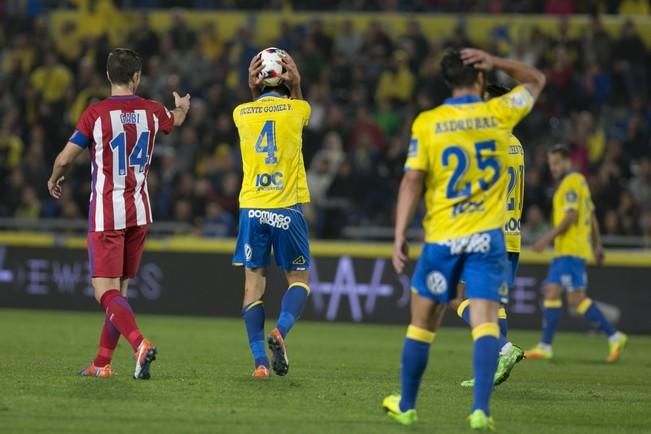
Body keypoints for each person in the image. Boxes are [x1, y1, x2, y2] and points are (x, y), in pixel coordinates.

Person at [382, 48, 545, 431]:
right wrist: (498, 62)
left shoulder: (428, 122)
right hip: (489, 239)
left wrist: (399, 234)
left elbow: (411, 181)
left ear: (446, 80)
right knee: (487, 324)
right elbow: (537, 80)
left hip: (443, 237)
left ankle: (406, 405)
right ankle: (480, 411)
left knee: (422, 323)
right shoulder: (499, 116)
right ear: (478, 78)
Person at [47, 48, 190, 379]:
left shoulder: (96, 114)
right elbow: (176, 118)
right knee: (119, 294)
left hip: (107, 214)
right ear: (136, 77)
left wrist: (54, 178)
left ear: (109, 76)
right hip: (139, 213)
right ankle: (101, 363)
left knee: (104, 292)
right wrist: (182, 106)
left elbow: (65, 158)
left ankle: (139, 343)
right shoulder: (153, 111)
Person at [232, 51, 311, 378]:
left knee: (253, 286)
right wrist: (298, 83)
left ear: (257, 80)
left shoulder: (241, 113)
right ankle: (280, 331)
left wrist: (254, 90)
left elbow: (257, 110)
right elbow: (298, 107)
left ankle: (260, 363)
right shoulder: (298, 109)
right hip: (286, 207)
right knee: (299, 281)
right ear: (286, 78)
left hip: (252, 208)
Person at [448, 83, 526, 389]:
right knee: (494, 306)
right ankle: (492, 368)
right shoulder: (516, 143)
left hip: (485, 236)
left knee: (459, 298)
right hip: (511, 237)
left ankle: (504, 348)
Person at [526, 145, 627, 362]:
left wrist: (546, 238)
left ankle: (614, 335)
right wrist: (598, 245)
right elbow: (591, 216)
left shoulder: (571, 182)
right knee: (552, 293)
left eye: (557, 163)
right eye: (551, 164)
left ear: (567, 162)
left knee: (575, 299)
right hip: (565, 252)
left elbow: (571, 216)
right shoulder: (577, 182)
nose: (553, 168)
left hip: (571, 251)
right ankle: (545, 346)